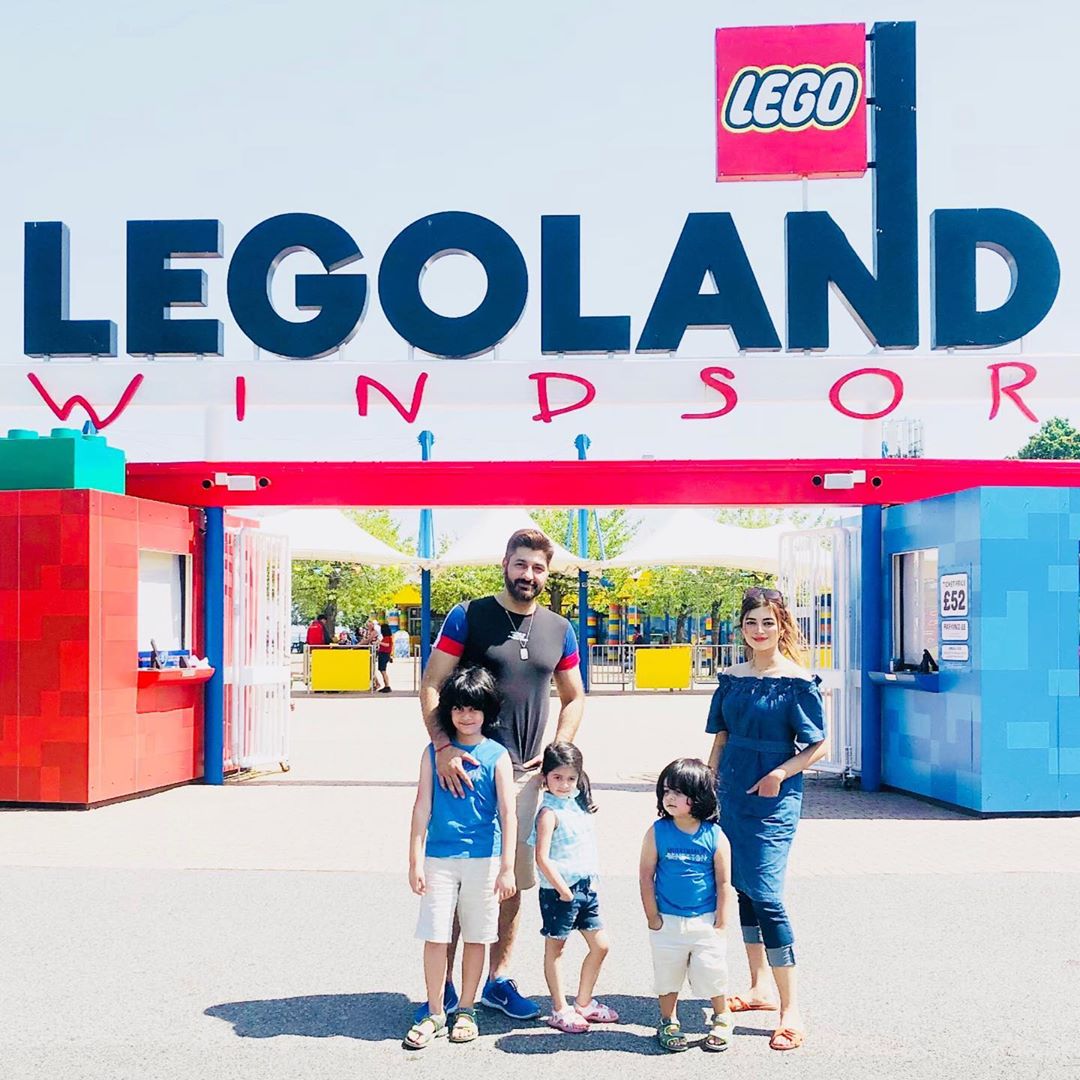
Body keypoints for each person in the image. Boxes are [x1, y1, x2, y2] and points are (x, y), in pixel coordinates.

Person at [417, 528, 585, 1022]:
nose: (528, 574)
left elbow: (574, 696)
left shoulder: (559, 629)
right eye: (521, 564)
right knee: (454, 877)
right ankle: (443, 987)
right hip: (463, 770)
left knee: (509, 884)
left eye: (537, 568)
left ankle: (496, 980)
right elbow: (431, 684)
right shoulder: (469, 616)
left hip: (526, 778)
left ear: (546, 575)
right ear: (505, 563)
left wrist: (559, 751)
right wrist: (443, 746)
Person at [706, 586, 828, 1053]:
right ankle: (757, 987)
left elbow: (820, 745)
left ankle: (791, 1008)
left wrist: (780, 772)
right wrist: (706, 786)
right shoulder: (731, 679)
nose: (759, 631)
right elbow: (720, 738)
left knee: (769, 894)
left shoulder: (797, 681)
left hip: (775, 799)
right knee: (742, 889)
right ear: (741, 629)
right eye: (751, 623)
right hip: (730, 793)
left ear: (782, 627)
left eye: (768, 623)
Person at [404, 666, 517, 1049]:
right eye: (458, 708)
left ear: (487, 711)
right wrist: (414, 860)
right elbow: (421, 807)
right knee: (435, 936)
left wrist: (507, 867)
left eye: (474, 709)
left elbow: (508, 812)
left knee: (478, 936)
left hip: (484, 859)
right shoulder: (432, 754)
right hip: (438, 856)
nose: (466, 716)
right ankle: (436, 1010)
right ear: (448, 710)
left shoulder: (497, 755)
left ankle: (467, 1009)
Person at [638, 758, 733, 1053]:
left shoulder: (714, 835)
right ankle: (668, 1021)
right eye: (666, 791)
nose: (670, 798)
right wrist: (652, 916)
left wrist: (721, 922)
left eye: (679, 792)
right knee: (667, 975)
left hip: (705, 921)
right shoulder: (657, 831)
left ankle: (722, 1017)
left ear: (700, 797)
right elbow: (645, 875)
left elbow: (724, 882)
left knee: (712, 971)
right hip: (666, 921)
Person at [529, 741, 617, 1033]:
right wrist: (562, 889)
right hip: (559, 892)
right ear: (545, 778)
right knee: (556, 949)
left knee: (601, 945)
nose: (565, 784)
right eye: (557, 777)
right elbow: (541, 857)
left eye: (570, 777)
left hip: (586, 887)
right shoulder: (548, 813)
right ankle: (559, 1007)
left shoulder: (578, 802)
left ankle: (584, 1001)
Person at [375, 622, 394, 693]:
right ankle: (386, 685)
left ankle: (387, 686)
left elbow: (387, 645)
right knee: (382, 670)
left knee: (383, 670)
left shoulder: (387, 638)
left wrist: (379, 642)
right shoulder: (387, 637)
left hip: (384, 654)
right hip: (383, 654)